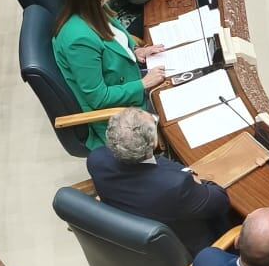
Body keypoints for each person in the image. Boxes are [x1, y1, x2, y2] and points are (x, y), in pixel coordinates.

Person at [52, 0, 166, 151]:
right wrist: (143, 83)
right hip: (118, 117)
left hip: (132, 86)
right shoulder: (79, 41)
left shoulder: (94, 9)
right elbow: (99, 98)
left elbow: (115, 38)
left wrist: (137, 51)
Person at [87, 107, 232, 253]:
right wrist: (192, 176)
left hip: (135, 239)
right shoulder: (175, 186)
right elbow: (220, 201)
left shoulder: (96, 160)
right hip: (189, 248)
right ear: (153, 142)